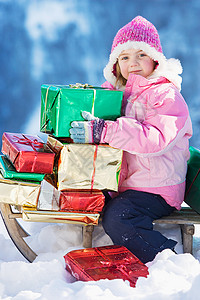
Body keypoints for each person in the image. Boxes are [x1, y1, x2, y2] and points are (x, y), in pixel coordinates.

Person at [69, 16, 193, 263]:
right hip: (125, 183)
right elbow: (95, 109)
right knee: (79, 195)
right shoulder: (117, 93)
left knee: (119, 217)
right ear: (116, 64)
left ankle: (165, 260)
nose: (133, 63)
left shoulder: (166, 96)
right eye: (124, 57)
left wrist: (105, 130)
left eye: (141, 55)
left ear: (155, 59)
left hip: (157, 187)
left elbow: (155, 140)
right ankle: (63, 244)